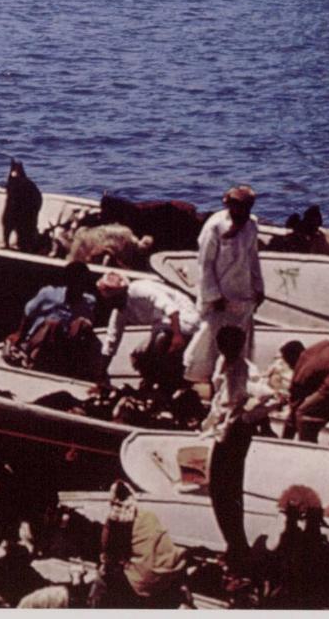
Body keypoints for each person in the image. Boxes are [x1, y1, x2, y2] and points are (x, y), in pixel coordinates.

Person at [182, 185, 265, 385]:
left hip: (242, 293)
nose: (243, 212)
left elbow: (253, 257)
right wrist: (214, 296)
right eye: (239, 207)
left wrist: (259, 287)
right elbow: (205, 264)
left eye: (247, 207)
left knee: (240, 343)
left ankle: (234, 382)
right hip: (219, 298)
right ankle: (203, 381)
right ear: (229, 206)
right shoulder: (215, 226)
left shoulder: (251, 225)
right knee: (210, 342)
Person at [204, 325, 257, 571]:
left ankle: (237, 547)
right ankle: (234, 544)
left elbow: (238, 406)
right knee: (222, 488)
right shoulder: (225, 363)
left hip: (233, 432)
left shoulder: (242, 372)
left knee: (225, 488)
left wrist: (226, 428)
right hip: (225, 430)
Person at [95, 270, 199, 391]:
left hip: (184, 319)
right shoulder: (120, 309)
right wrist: (101, 374)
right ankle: (153, 382)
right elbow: (112, 339)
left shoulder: (139, 290)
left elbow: (171, 309)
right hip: (165, 324)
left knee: (158, 342)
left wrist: (177, 336)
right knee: (138, 356)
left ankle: (165, 384)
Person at [7, 261, 99, 375]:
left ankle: (74, 364)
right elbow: (28, 313)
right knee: (53, 325)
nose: (78, 286)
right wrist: (20, 334)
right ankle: (32, 358)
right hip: (40, 340)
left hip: (64, 344)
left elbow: (87, 328)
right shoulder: (48, 294)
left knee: (82, 324)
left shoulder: (89, 302)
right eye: (75, 281)